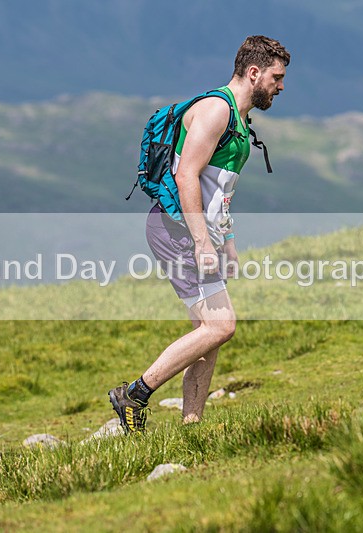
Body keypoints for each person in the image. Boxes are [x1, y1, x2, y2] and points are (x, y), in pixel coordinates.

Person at [109, 36, 290, 432]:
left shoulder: (240, 121)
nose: (280, 86)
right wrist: (202, 242)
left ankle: (192, 425)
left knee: (209, 334)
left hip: (195, 232)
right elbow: (186, 175)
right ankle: (134, 394)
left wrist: (227, 242)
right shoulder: (215, 110)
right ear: (254, 72)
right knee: (221, 326)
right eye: (276, 77)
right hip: (177, 230)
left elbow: (218, 192)